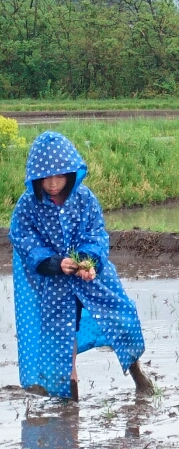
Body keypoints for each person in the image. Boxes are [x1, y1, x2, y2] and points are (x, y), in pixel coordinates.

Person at [9, 131, 152, 401]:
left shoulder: (84, 199)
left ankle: (137, 373)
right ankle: (70, 397)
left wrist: (88, 261)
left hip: (92, 276)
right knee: (63, 338)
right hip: (54, 283)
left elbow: (96, 234)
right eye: (46, 178)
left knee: (120, 317)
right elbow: (24, 240)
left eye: (60, 176)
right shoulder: (28, 206)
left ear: (71, 174)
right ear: (35, 177)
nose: (53, 184)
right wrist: (53, 262)